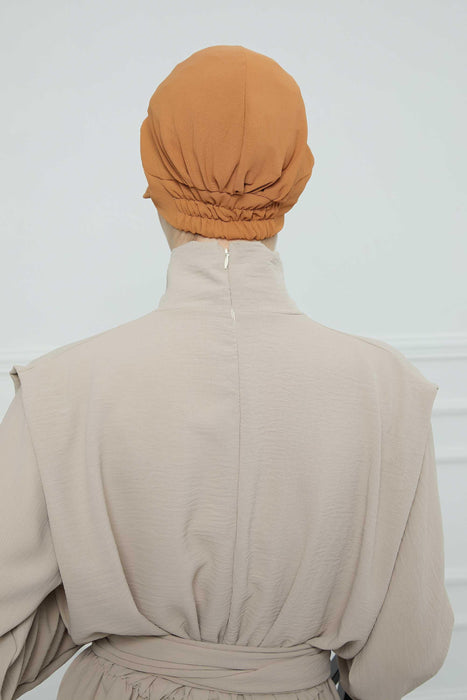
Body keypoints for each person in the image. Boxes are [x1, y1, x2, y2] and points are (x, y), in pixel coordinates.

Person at [0, 45, 454, 700]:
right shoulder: (389, 392)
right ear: (295, 179)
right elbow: (407, 652)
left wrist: (88, 610)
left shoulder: (62, 390)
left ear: (155, 175)